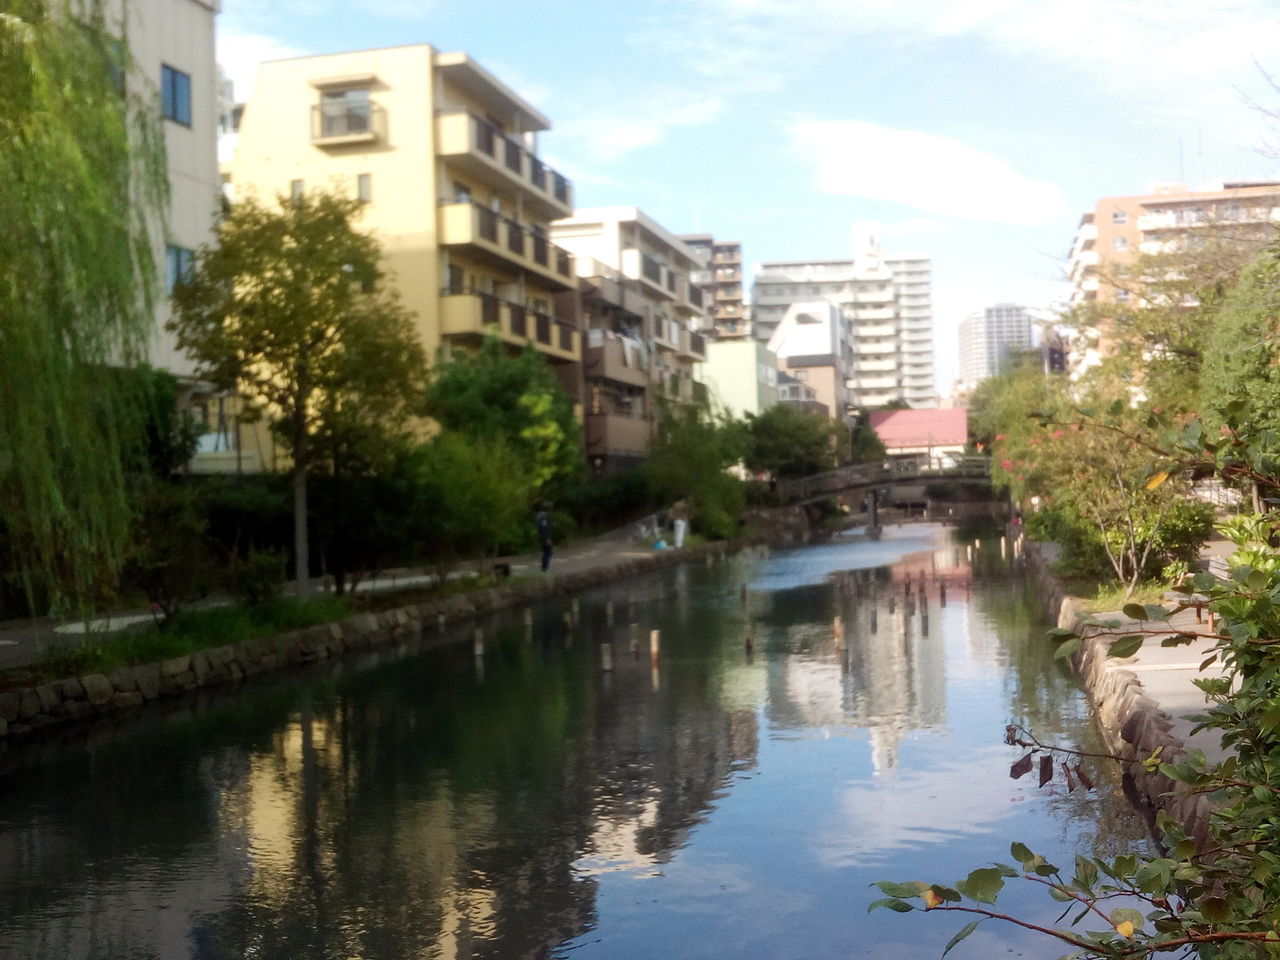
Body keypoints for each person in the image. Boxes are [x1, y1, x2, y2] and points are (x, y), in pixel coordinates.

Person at [536, 502, 553, 572]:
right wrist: (547, 539)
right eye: (550, 509)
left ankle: (544, 567)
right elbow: (544, 528)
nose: (551, 511)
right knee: (548, 552)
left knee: (546, 551)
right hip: (544, 537)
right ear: (548, 509)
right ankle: (544, 568)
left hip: (541, 536)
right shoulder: (543, 517)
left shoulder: (539, 515)